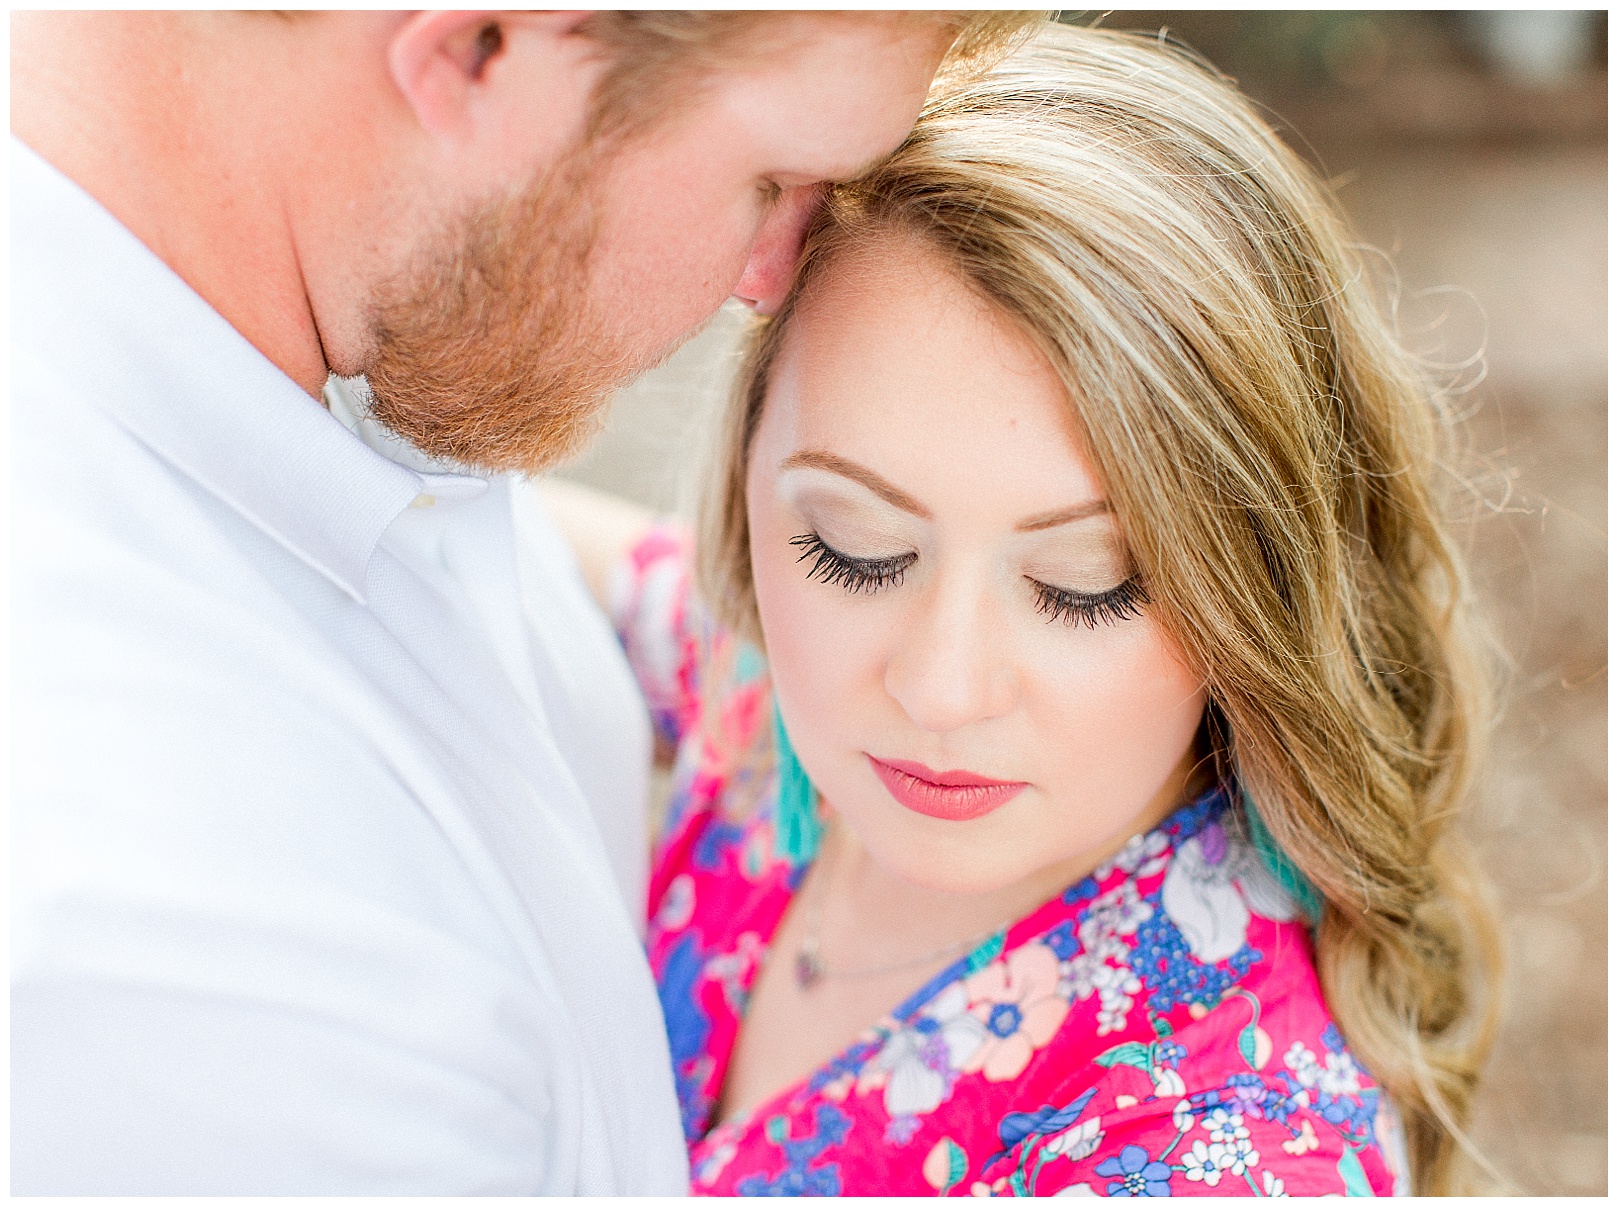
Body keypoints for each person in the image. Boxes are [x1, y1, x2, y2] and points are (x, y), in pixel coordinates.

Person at [10, 10, 1037, 1195]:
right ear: (478, 50)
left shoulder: (365, 304)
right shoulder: (198, 975)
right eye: (773, 182)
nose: (771, 283)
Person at [549, 22, 1502, 1197]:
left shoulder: (1227, 1158)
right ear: (750, 482)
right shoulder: (763, 693)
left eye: (1084, 584)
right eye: (857, 550)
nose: (940, 688)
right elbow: (527, 548)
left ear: (1253, 587)